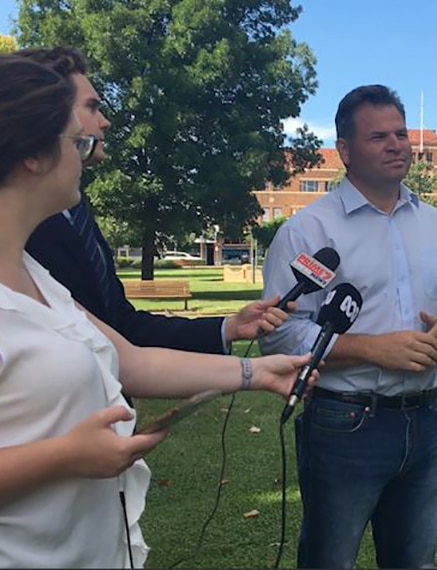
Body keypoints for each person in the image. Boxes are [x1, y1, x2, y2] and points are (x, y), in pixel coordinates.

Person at [0, 55, 318, 568]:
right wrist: (64, 457)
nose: (87, 148)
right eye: (74, 140)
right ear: (33, 155)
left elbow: (132, 361)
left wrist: (256, 371)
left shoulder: (36, 277)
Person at [260, 84, 437, 568]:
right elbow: (278, 334)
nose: (396, 145)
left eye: (401, 133)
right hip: (345, 423)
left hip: (425, 420)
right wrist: (369, 349)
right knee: (329, 560)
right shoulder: (307, 231)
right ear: (344, 150)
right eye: (378, 136)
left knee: (413, 561)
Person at [17, 46, 284, 354]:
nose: (105, 122)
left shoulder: (74, 208)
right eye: (92, 107)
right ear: (45, 115)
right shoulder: (24, 225)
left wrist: (227, 328)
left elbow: (119, 328)